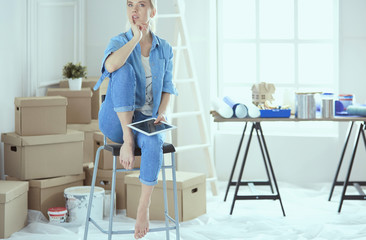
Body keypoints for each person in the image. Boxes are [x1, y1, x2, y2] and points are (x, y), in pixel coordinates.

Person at [92, 0, 177, 239]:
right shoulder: (118, 42)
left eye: (141, 4)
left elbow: (168, 87)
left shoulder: (165, 49)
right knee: (124, 69)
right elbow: (111, 65)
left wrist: (161, 112)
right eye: (130, 4)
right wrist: (135, 39)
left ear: (153, 11)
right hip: (115, 121)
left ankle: (143, 207)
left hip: (144, 119)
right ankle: (128, 141)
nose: (134, 10)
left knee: (153, 141)